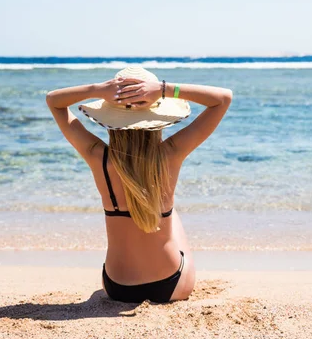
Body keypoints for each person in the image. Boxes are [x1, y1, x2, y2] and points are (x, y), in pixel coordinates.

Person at [46, 66, 232, 303]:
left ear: (110, 118)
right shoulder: (171, 154)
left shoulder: (98, 157)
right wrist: (163, 90)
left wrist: (98, 90)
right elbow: (223, 98)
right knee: (171, 214)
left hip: (117, 287)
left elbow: (54, 101)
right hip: (169, 284)